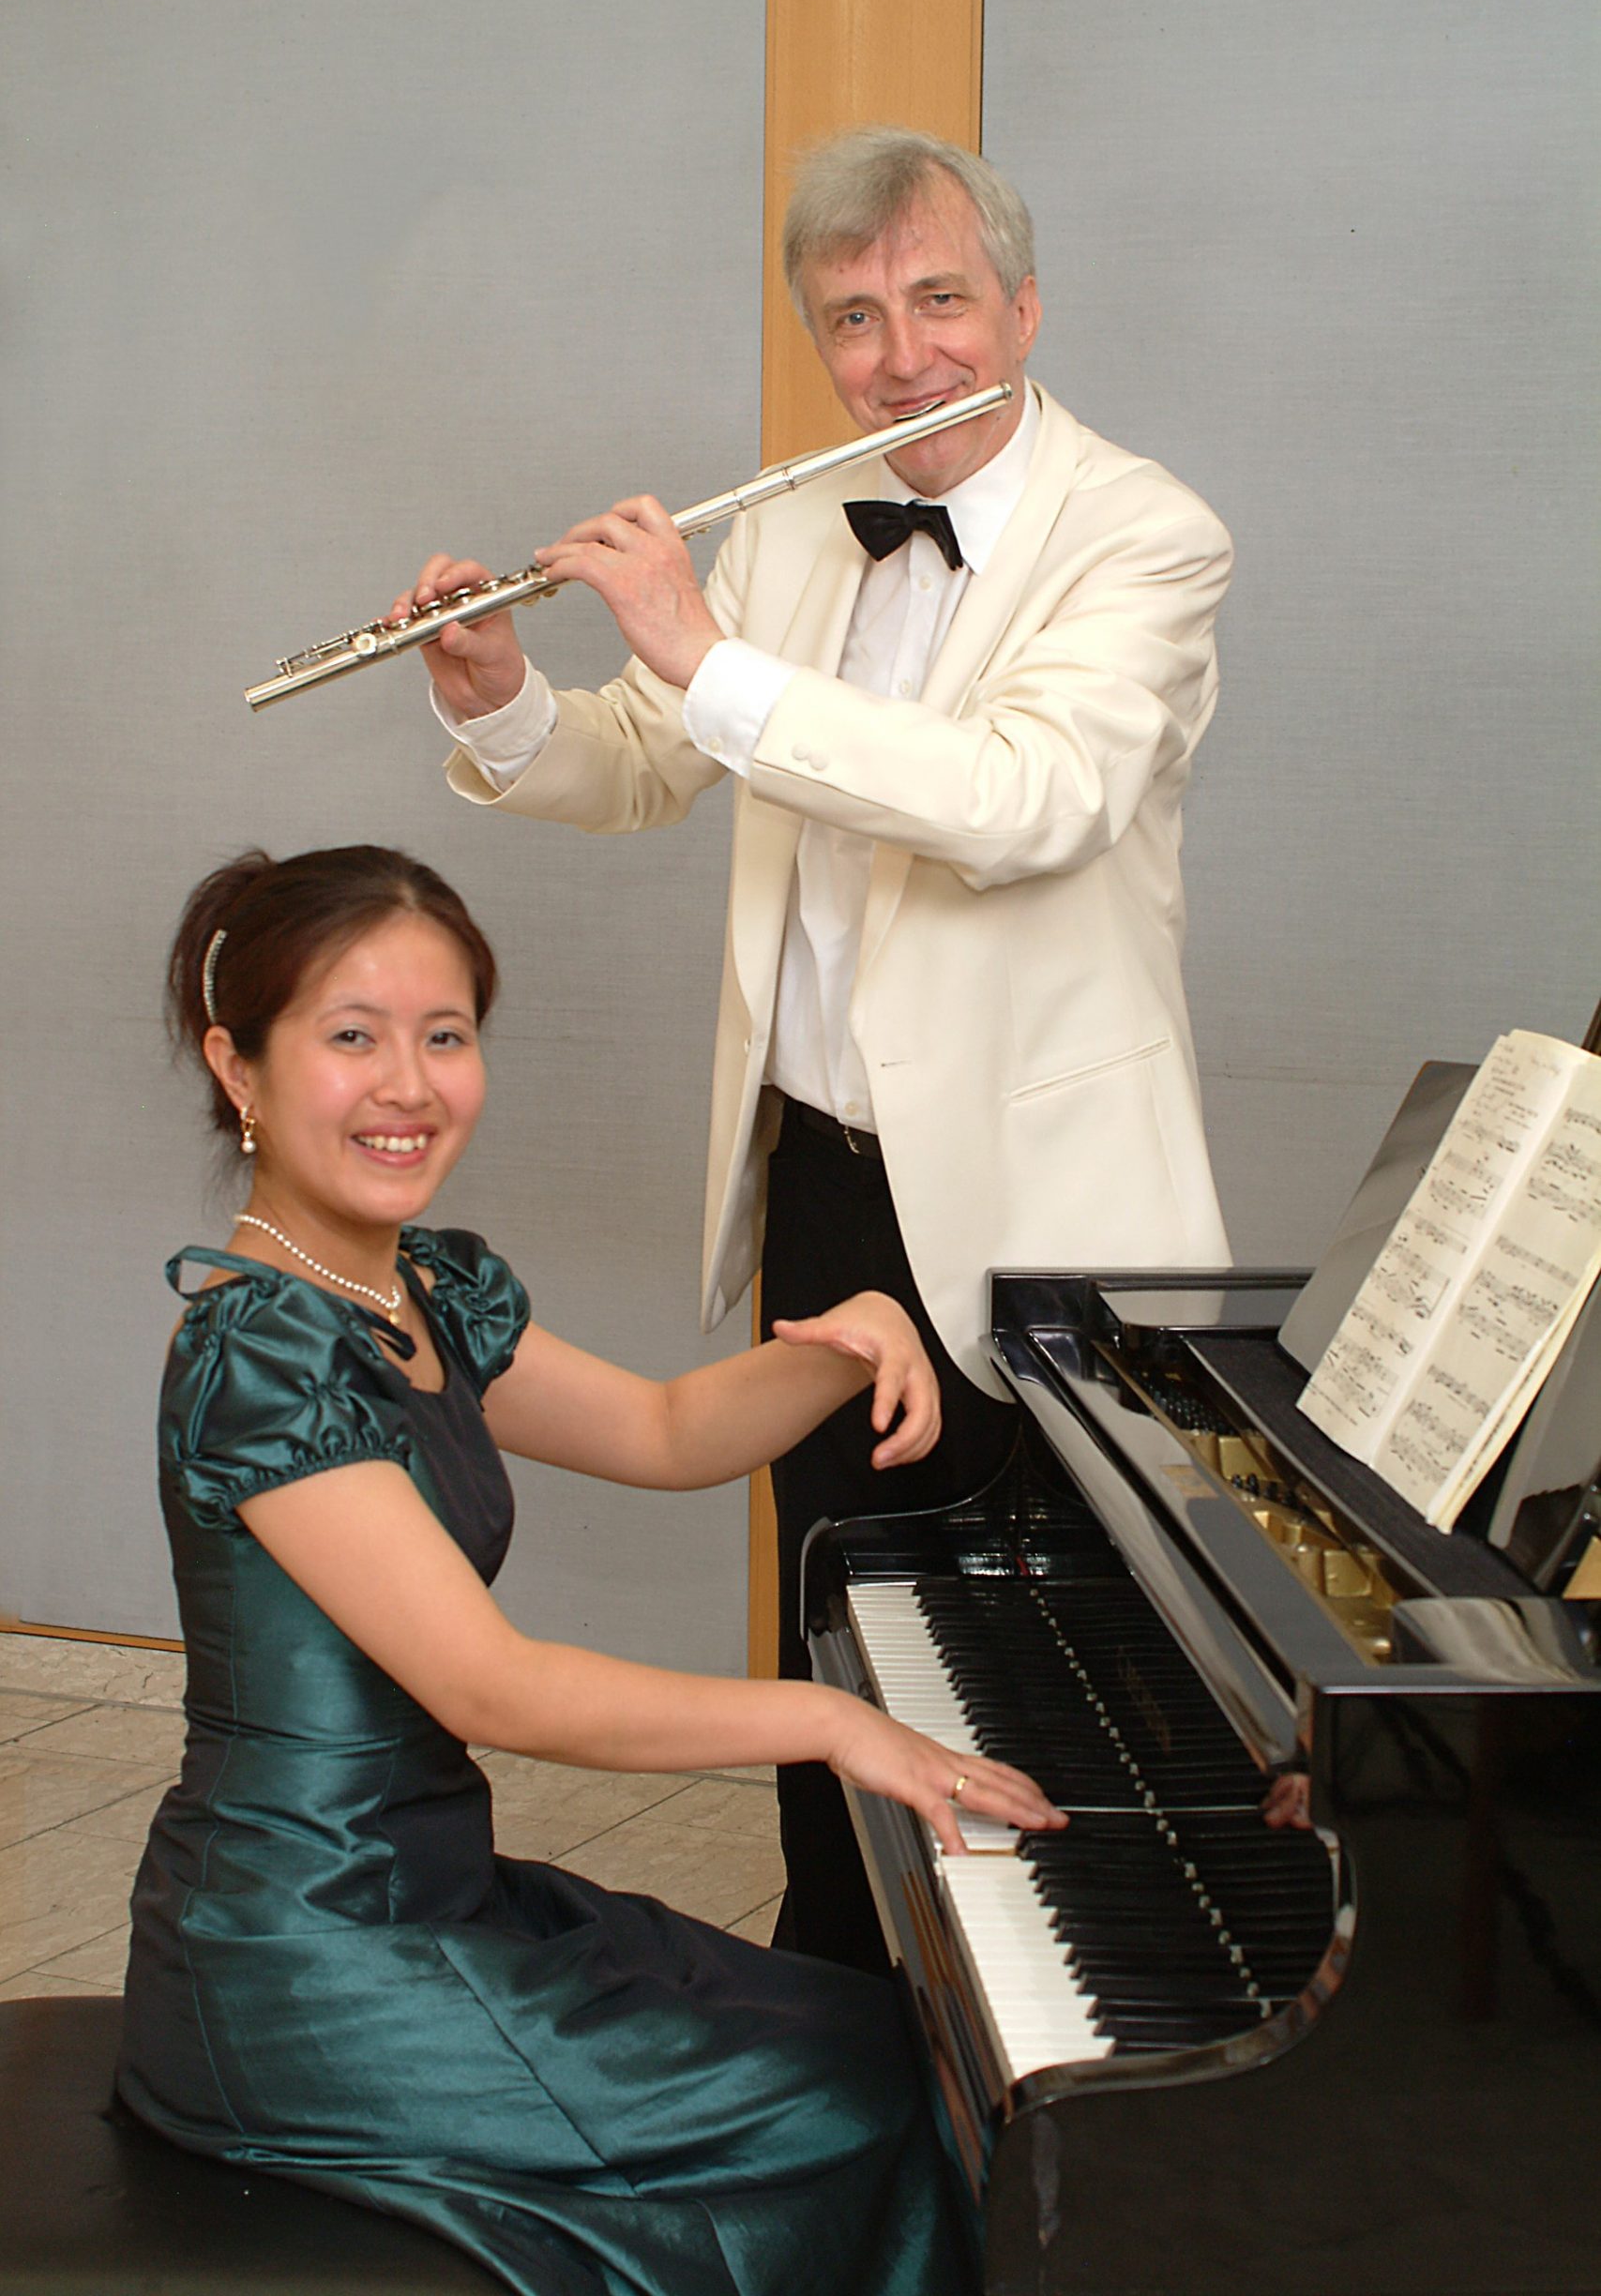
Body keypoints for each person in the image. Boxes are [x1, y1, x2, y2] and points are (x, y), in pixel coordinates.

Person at [399, 125, 1233, 1971]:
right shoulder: (792, 521)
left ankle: (1072, 2026)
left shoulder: (1145, 534)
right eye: (853, 318)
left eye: (941, 301)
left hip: (1047, 1207)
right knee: (837, 1626)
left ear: (1024, 307)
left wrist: (707, 658)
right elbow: (648, 759)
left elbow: (1022, 798)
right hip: (826, 1191)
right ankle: (840, 2005)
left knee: (1057, 1662)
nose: (902, 354)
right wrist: (506, 698)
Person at [116, 842, 1065, 2296]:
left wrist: (857, 1333)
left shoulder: (413, 1290)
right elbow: (496, 1690)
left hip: (425, 1899)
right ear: (237, 1068)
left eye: (446, 1037)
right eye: (352, 1037)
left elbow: (668, 1428)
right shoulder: (261, 1354)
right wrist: (830, 1720)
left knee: (887, 2037)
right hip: (303, 1965)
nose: (410, 1086)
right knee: (864, 2103)